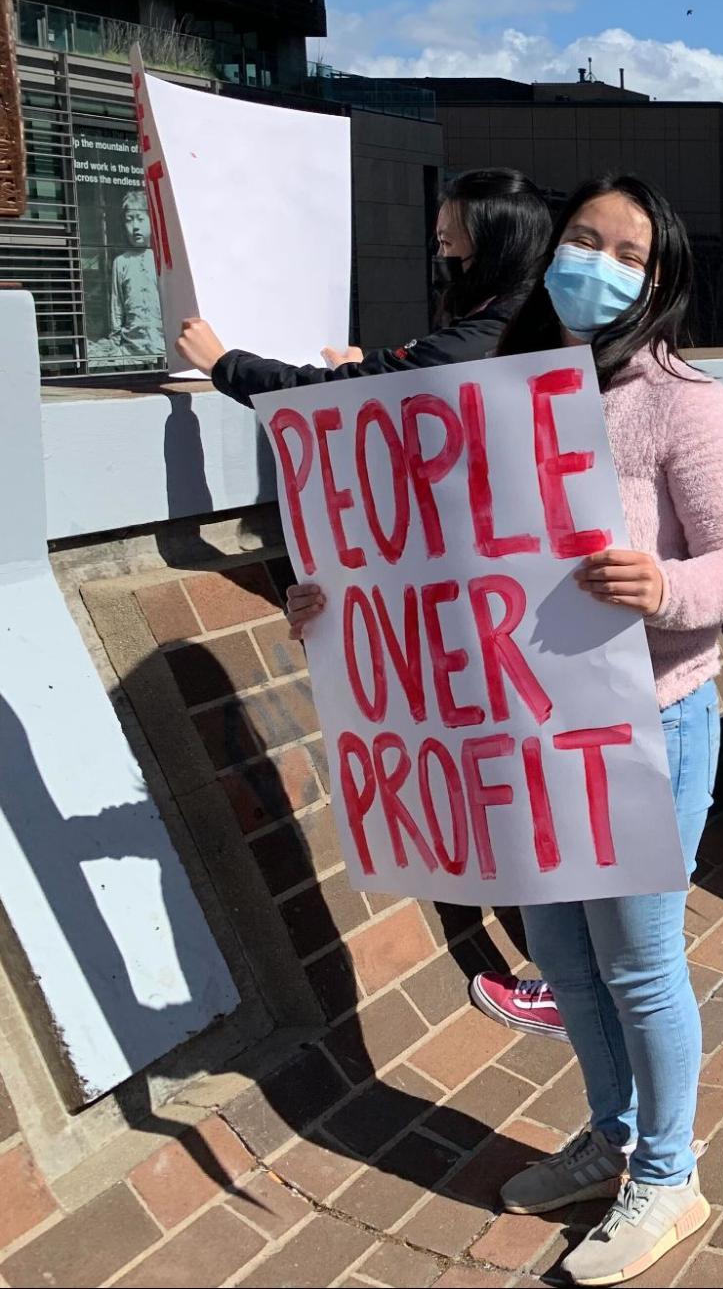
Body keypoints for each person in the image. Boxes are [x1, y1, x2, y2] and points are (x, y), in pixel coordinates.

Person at [285, 176, 723, 1284]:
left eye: (625, 251)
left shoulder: (680, 400)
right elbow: (411, 549)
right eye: (579, 238)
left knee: (639, 961)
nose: (593, 262)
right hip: (520, 730)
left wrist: (661, 587)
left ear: (658, 280)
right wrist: (328, 598)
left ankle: (667, 1174)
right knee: (560, 952)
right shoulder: (484, 392)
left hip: (642, 725)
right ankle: (610, 1136)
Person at [184, 167, 564, 1041]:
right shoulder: (524, 326)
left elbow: (340, 396)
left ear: (492, 241)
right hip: (526, 607)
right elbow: (403, 377)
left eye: (451, 236)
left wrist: (225, 365)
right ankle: (576, 972)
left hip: (493, 614)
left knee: (534, 793)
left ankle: (567, 982)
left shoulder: (476, 339)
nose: (441, 249)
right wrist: (380, 368)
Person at [176, 167, 551, 404]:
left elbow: (330, 394)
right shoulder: (528, 317)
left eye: (447, 243)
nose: (438, 254)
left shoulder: (486, 338)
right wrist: (366, 370)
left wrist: (223, 363)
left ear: (493, 249)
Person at [109, 190, 164, 359]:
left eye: (140, 219)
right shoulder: (121, 262)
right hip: (131, 350)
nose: (135, 226)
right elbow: (116, 307)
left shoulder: (161, 258)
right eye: (129, 220)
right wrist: (114, 347)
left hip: (162, 348)